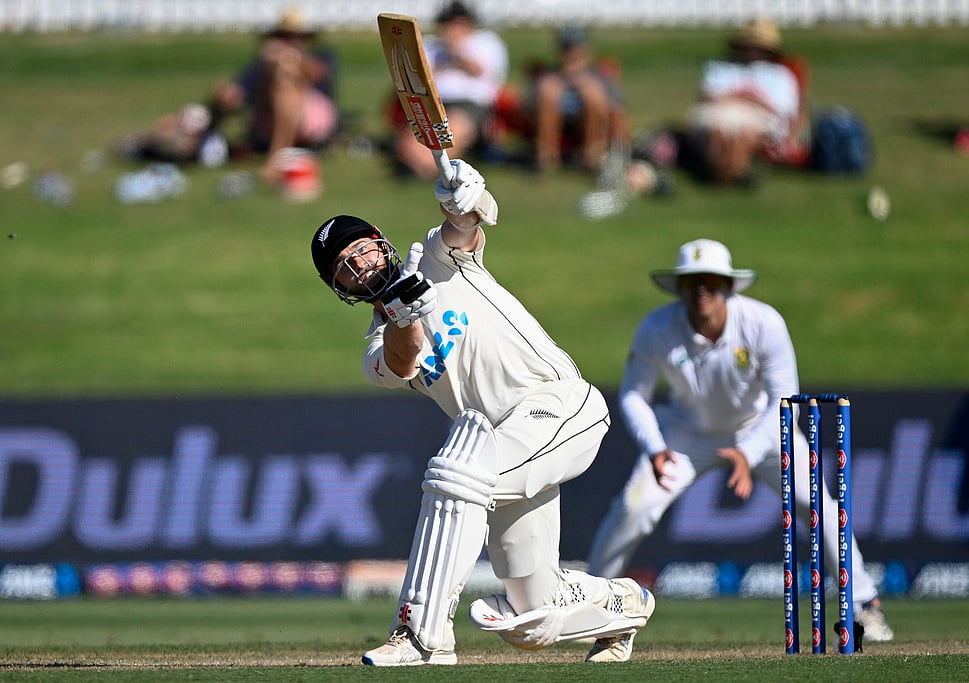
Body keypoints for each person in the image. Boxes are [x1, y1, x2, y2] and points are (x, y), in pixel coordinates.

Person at [309, 158, 655, 666]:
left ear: (381, 241)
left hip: (557, 405)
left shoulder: (432, 257)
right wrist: (404, 314)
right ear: (341, 287)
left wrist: (463, 196)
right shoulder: (377, 348)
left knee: (455, 473)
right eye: (345, 264)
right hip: (500, 442)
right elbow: (404, 361)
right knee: (532, 622)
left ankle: (422, 636)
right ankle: (624, 604)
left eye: (362, 248)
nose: (361, 263)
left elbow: (467, 227)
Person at [585, 238, 894, 644]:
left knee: (817, 504)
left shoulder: (764, 323)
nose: (701, 292)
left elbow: (787, 405)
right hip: (687, 433)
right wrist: (656, 447)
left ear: (729, 286)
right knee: (633, 506)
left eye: (711, 282)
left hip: (761, 430)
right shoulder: (657, 328)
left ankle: (864, 604)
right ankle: (584, 605)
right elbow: (632, 395)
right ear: (679, 288)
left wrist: (747, 453)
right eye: (692, 282)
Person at [116, 9, 339, 184]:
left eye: (295, 36)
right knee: (223, 94)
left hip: (312, 121)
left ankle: (276, 156)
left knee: (285, 80)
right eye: (284, 36)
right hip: (267, 121)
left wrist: (288, 60)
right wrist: (225, 93)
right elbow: (238, 93)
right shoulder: (265, 64)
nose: (291, 40)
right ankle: (172, 137)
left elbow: (318, 72)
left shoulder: (321, 55)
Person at [388, 1, 509, 179]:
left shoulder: (485, 42)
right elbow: (414, 78)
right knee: (409, 143)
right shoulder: (430, 46)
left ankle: (427, 166)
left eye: (458, 23)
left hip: (469, 104)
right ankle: (421, 164)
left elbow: (481, 71)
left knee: (450, 134)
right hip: (432, 101)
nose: (452, 28)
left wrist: (455, 50)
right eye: (449, 23)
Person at [682, 17, 808, 185]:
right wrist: (742, 97)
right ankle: (725, 174)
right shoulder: (721, 68)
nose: (752, 51)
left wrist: (747, 98)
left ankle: (725, 175)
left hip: (760, 116)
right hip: (720, 112)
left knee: (745, 134)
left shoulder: (780, 74)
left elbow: (783, 108)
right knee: (718, 132)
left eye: (757, 47)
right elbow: (708, 97)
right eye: (748, 46)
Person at [524, 26, 631, 173]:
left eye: (574, 47)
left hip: (591, 131)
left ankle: (591, 157)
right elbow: (527, 107)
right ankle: (547, 158)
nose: (570, 53)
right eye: (566, 48)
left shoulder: (599, 75)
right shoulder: (547, 77)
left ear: (585, 48)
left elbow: (617, 109)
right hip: (557, 130)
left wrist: (621, 145)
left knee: (592, 93)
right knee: (549, 91)